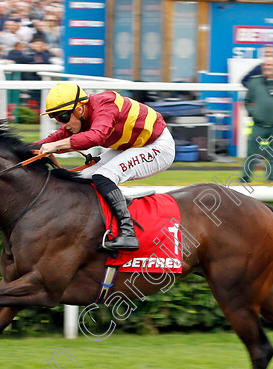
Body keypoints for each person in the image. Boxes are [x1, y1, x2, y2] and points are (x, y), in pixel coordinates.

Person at [36, 82, 175, 251]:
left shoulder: (105, 105)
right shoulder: (81, 116)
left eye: (63, 117)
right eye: (56, 118)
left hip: (157, 146)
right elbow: (60, 135)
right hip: (133, 145)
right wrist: (26, 149)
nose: (62, 123)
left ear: (79, 109)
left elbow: (96, 137)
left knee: (104, 176)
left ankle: (128, 233)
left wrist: (55, 147)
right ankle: (94, 228)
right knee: (83, 179)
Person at [244, 57, 273, 183]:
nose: (268, 67)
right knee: (251, 153)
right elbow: (247, 101)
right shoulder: (255, 82)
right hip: (258, 124)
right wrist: (253, 113)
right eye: (266, 65)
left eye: (271, 65)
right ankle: (245, 179)